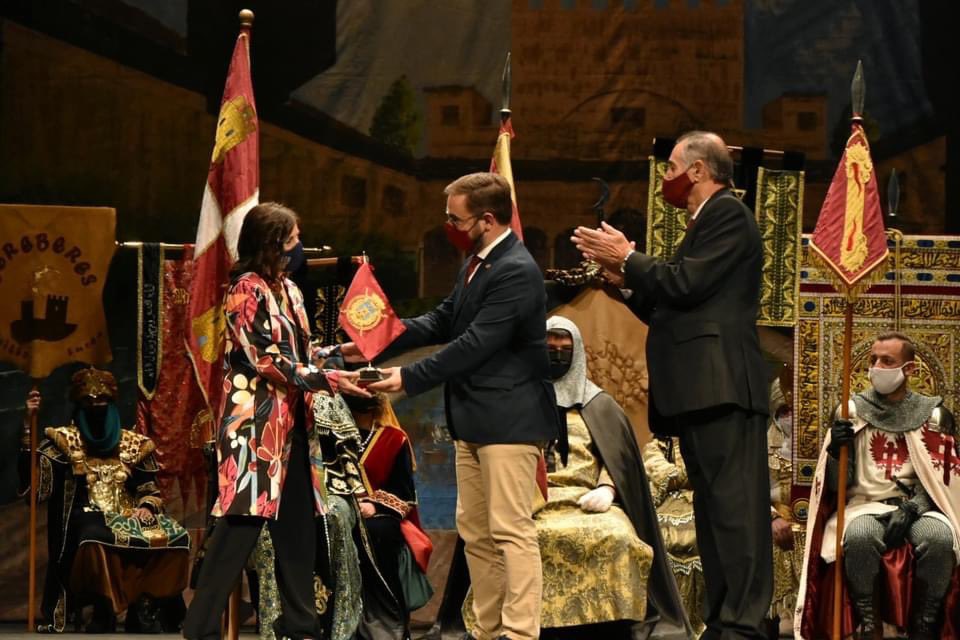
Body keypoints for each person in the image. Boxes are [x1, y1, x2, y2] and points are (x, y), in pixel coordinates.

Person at [572, 131, 771, 639]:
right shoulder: (704, 222)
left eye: (672, 168)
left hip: (722, 385)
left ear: (700, 170)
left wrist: (628, 257)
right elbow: (676, 302)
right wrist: (624, 280)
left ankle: (743, 627)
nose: (666, 178)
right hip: (702, 390)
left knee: (735, 513)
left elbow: (685, 283)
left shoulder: (727, 213)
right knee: (714, 513)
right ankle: (724, 621)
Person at [348, 172, 561, 640]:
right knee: (477, 532)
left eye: (455, 218)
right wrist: (373, 342)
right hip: (474, 421)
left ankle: (520, 634)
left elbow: (476, 344)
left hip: (509, 422)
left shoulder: (516, 270)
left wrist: (407, 377)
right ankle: (486, 630)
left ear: (487, 219)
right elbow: (444, 318)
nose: (448, 225)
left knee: (510, 531)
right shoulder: (478, 262)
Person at [182, 202, 368, 640]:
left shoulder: (289, 290)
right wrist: (335, 380)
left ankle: (302, 625)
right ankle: (200, 628)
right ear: (271, 243)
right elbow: (266, 360)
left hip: (295, 428)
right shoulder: (245, 291)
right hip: (255, 428)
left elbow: (300, 354)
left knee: (297, 529)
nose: (299, 246)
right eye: (292, 239)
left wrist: (342, 355)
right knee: (240, 529)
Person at [795, 332, 960, 639]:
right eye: (873, 360)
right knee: (859, 537)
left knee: (939, 539)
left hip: (919, 507)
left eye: (887, 361)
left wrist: (913, 508)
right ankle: (868, 624)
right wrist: (835, 453)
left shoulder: (934, 415)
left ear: (909, 369)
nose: (876, 366)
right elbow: (836, 486)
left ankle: (924, 626)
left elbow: (944, 478)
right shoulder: (851, 413)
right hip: (864, 506)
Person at [532, 317, 690, 636]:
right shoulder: (520, 400)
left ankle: (610, 627)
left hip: (589, 501)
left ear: (577, 353)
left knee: (618, 538)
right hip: (536, 501)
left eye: (565, 349)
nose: (558, 354)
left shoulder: (599, 405)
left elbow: (620, 458)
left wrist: (607, 487)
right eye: (550, 348)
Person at [19, 368, 191, 633]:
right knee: (94, 535)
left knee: (176, 537)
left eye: (101, 401)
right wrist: (29, 429)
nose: (96, 406)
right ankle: (103, 605)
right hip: (84, 515)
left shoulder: (132, 443)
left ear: (112, 404)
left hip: (130, 515)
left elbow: (148, 487)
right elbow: (38, 488)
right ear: (78, 405)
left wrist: (146, 506)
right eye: (89, 401)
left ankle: (144, 602)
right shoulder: (63, 441)